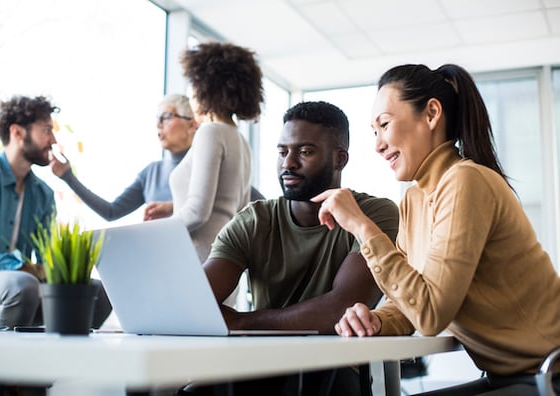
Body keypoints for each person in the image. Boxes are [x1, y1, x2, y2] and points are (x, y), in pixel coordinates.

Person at [314, 64, 560, 395]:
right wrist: (377, 319)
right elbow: (409, 303)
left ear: (431, 114)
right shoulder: (415, 198)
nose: (378, 145)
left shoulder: (465, 180)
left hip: (548, 375)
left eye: (384, 124)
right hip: (516, 377)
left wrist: (361, 225)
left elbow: (430, 314)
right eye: (374, 131)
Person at [180, 101, 399, 396]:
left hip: (338, 367)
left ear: (339, 158)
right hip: (264, 364)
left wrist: (243, 322)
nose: (288, 163)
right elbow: (197, 305)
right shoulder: (255, 219)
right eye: (283, 151)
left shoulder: (373, 214)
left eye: (305, 152)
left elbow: (339, 309)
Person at [0, 95, 111, 331]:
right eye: (46, 130)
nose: (53, 139)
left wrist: (55, 270)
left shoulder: (42, 193)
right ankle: (0, 364)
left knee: (97, 293)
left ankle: (59, 364)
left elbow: (48, 262)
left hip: (22, 286)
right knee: (23, 285)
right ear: (17, 133)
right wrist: (29, 269)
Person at [144, 42, 264, 263]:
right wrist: (173, 207)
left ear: (204, 88)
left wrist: (151, 236)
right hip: (223, 262)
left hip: (194, 261)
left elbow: (198, 212)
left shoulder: (210, 132)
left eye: (193, 87)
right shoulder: (239, 140)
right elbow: (233, 208)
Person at [50, 94, 199, 221]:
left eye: (166, 117)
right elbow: (111, 212)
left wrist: (171, 208)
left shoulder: (205, 165)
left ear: (192, 125)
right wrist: (68, 176)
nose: (159, 124)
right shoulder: (150, 173)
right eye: (157, 118)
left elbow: (211, 208)